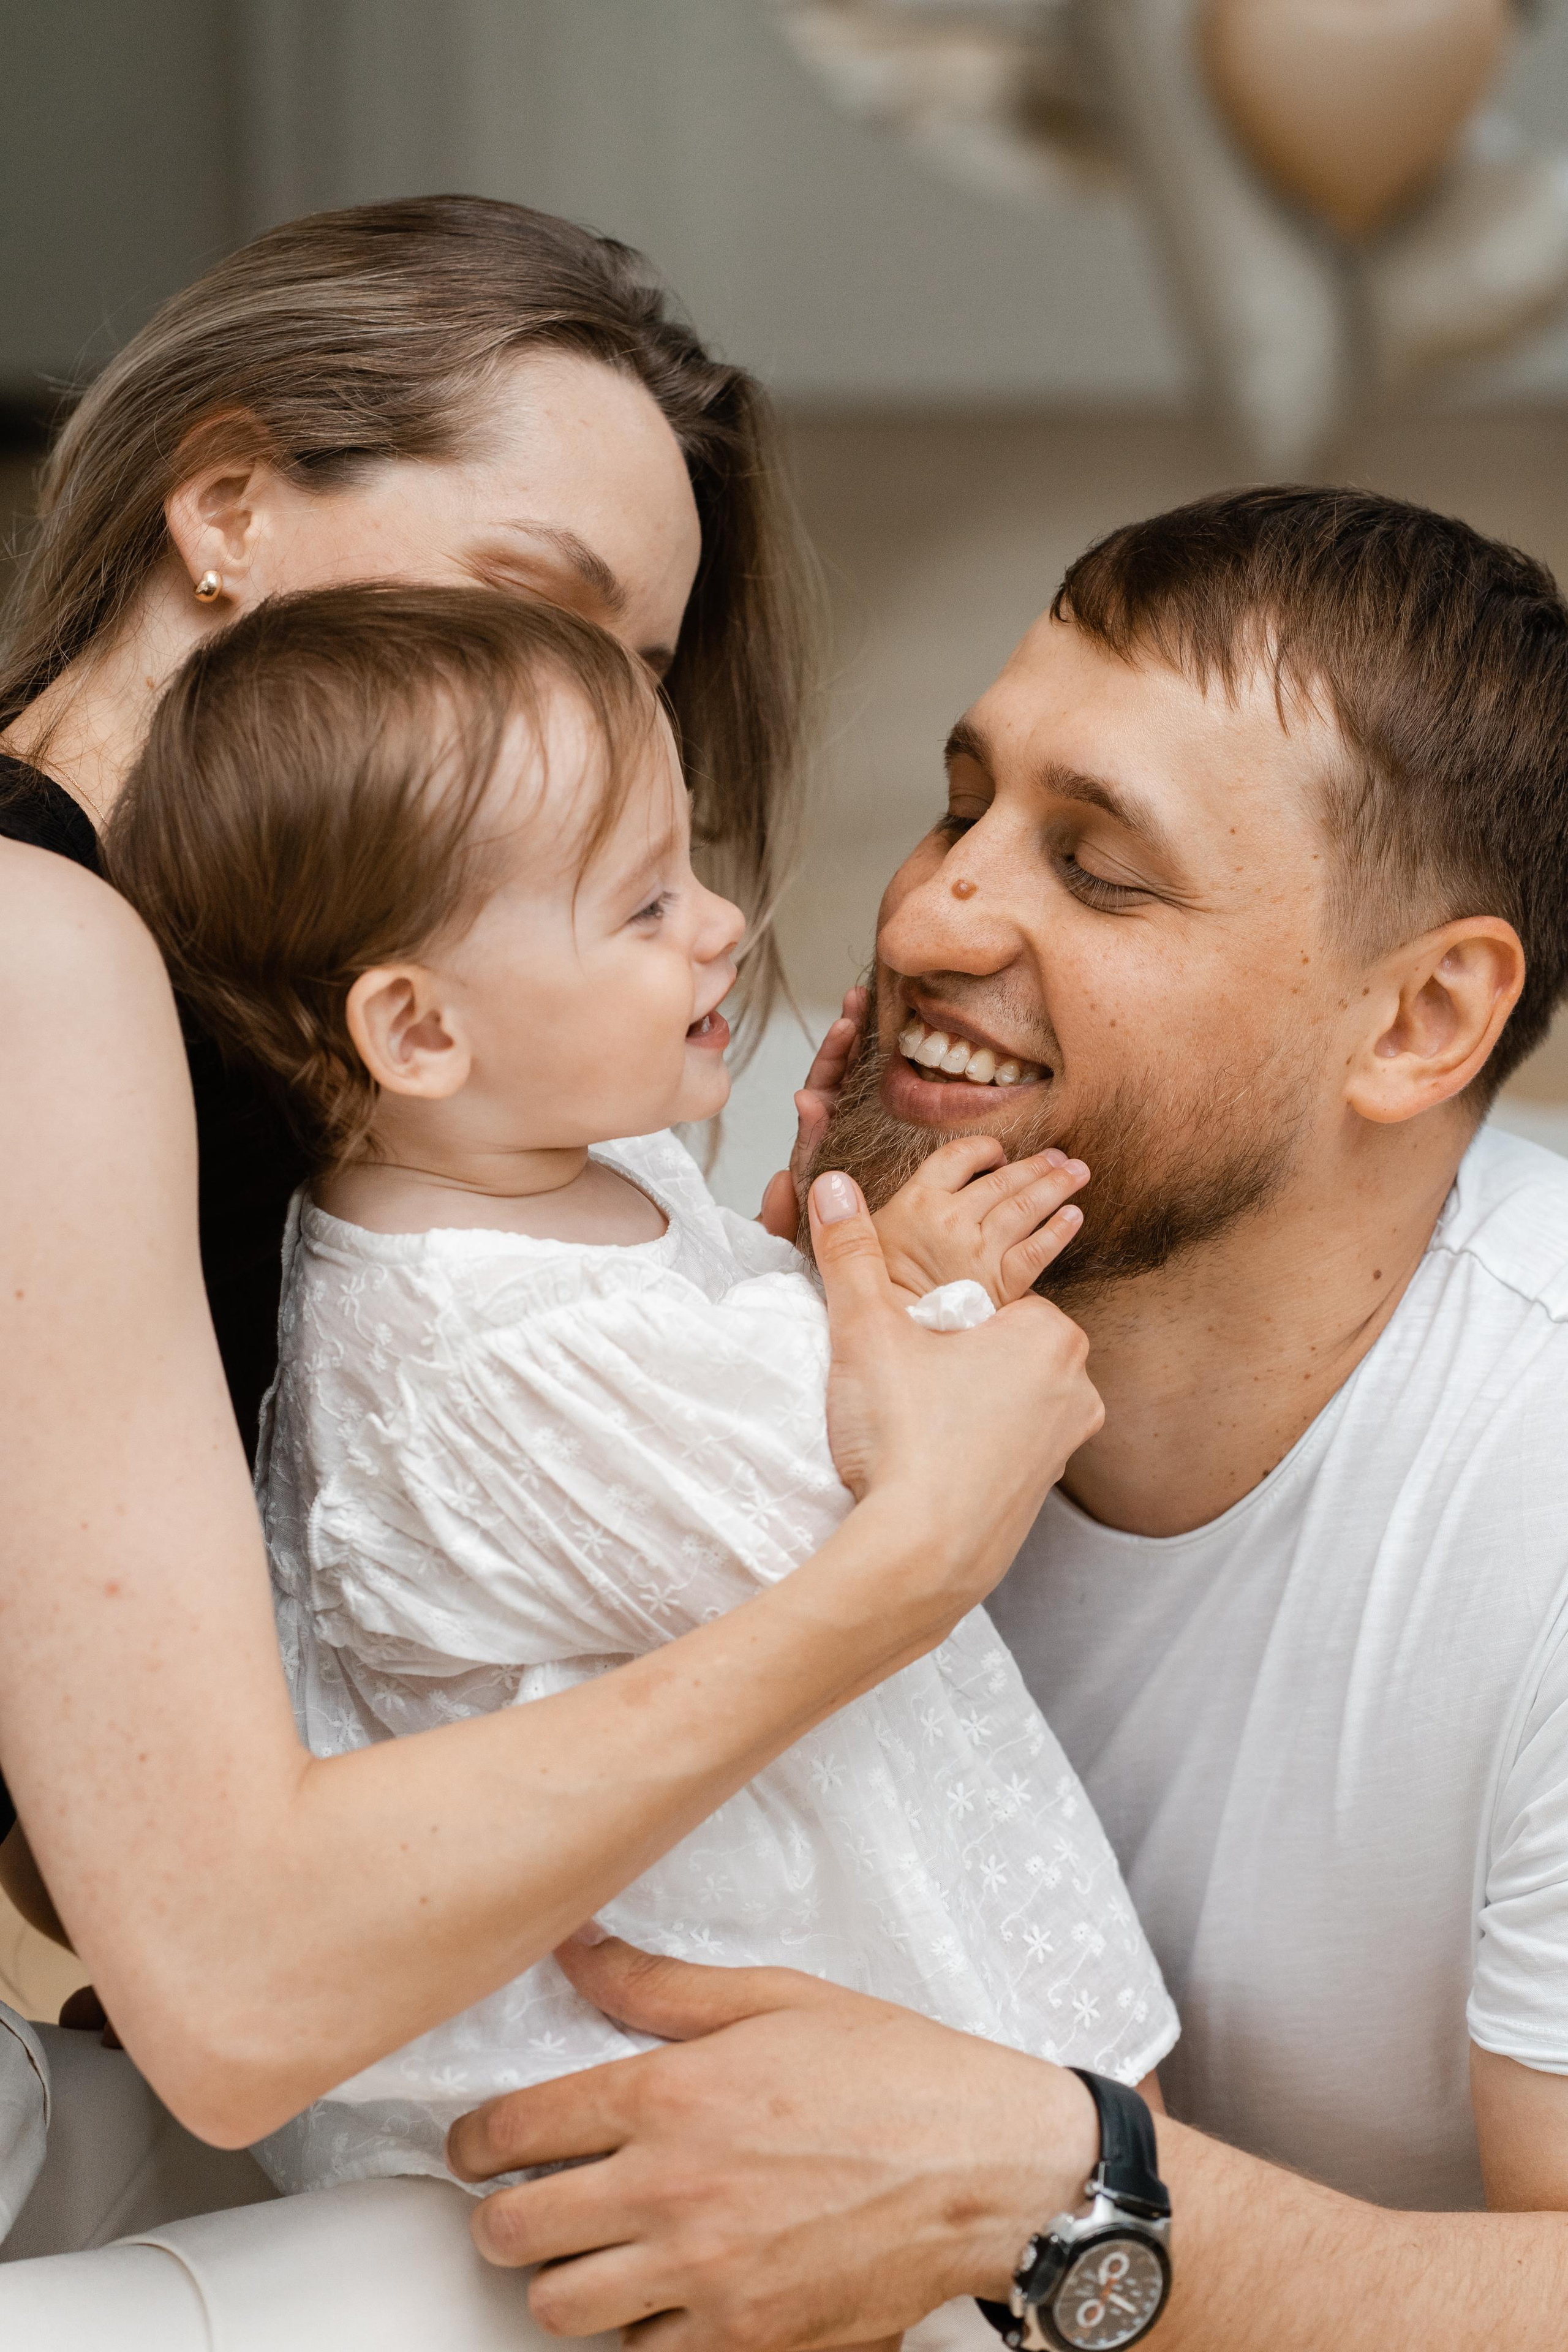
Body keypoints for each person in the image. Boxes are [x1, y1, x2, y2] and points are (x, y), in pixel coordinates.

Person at [0, 198, 1100, 2343]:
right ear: (220, 506)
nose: (584, 713)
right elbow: (224, 1983)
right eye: (535, 600)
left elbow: (94, 1837)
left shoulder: (231, 1059)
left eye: (636, 671)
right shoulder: (37, 960)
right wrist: (898, 1562)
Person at [451, 486, 1568, 2352]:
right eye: (966, 803)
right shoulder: (782, 1246)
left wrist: (1057, 2196)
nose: (936, 906)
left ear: (1420, 1022)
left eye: (1101, 868)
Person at [104, 581, 1166, 2285]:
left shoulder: (554, 1162)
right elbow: (859, 1499)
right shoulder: (475, 1343)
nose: (724, 921)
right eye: (645, 901)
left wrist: (821, 1251)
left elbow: (715, 1350)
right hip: (650, 2100)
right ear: (422, 1031)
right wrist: (933, 1303)